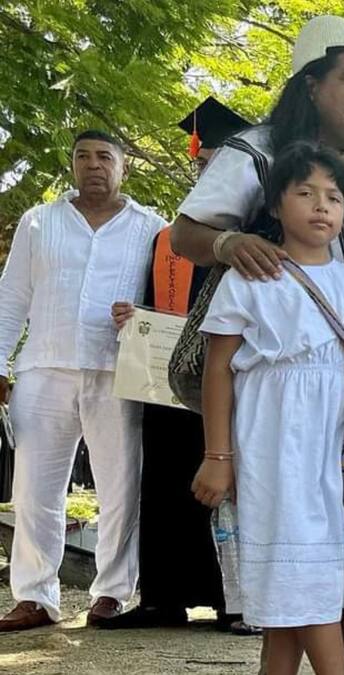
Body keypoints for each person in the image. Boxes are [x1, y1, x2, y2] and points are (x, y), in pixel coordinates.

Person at [169, 16, 344, 674]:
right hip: (269, 395)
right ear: (311, 85)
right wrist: (229, 243)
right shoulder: (257, 151)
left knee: (339, 518)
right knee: (295, 545)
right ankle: (338, 655)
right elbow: (186, 232)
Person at [191, 141, 344, 675]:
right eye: (305, 193)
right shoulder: (249, 277)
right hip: (272, 442)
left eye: (333, 197)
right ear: (276, 205)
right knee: (307, 582)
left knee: (291, 588)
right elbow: (218, 369)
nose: (322, 206)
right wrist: (218, 456)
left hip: (324, 451)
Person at [0, 130, 167, 632]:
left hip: (118, 371)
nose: (93, 165)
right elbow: (12, 296)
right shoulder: (39, 220)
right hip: (44, 366)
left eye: (104, 157)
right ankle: (35, 596)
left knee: (120, 486)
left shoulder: (153, 228)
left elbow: (167, 300)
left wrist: (140, 314)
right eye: (83, 156)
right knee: (34, 488)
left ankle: (112, 592)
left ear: (124, 167)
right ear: (72, 164)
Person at [100, 97, 255, 633]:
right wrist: (134, 317)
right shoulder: (170, 237)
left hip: (230, 378)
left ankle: (234, 601)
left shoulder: (255, 234)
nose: (205, 172)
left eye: (217, 165)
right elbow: (157, 302)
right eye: (201, 164)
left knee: (227, 483)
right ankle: (162, 598)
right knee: (166, 479)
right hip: (167, 380)